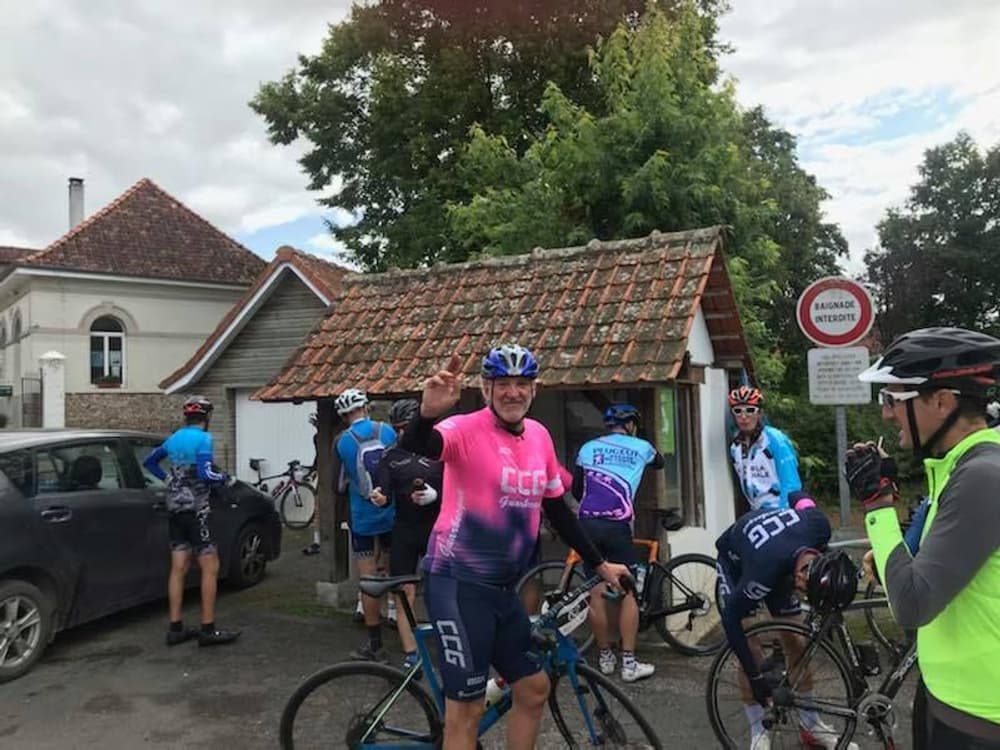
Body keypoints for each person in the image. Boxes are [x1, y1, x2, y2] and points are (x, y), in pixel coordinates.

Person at [400, 343, 633, 750]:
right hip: (457, 585)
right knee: (466, 711)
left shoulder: (539, 437)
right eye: (502, 383)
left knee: (534, 687)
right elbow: (420, 447)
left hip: (503, 590)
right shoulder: (465, 430)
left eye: (521, 383)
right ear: (486, 388)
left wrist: (600, 565)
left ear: (534, 389)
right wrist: (426, 414)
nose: (512, 392)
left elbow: (557, 509)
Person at [845, 327, 1000, 749]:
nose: (886, 413)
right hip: (951, 695)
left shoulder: (982, 476)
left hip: (979, 717)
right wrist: (892, 556)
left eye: (894, 399)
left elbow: (912, 604)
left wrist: (877, 505)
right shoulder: (960, 465)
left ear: (942, 401)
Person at [715, 496, 854, 750]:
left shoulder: (819, 526)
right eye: (802, 591)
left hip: (779, 554)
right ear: (799, 576)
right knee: (748, 641)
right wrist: (757, 678)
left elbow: (799, 499)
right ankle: (758, 731)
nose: (801, 595)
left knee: (795, 641)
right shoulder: (763, 572)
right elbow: (730, 621)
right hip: (739, 564)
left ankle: (811, 725)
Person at [573, 403, 664, 682]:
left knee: (596, 589)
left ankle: (605, 657)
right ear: (632, 424)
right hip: (618, 523)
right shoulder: (641, 446)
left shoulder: (588, 448)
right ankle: (629, 663)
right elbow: (660, 462)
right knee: (627, 591)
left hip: (588, 522)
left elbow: (577, 488)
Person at [143, 396, 241, 647]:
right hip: (198, 511)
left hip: (175, 508)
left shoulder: (174, 438)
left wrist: (167, 480)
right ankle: (207, 628)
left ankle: (175, 628)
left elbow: (150, 462)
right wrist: (225, 479)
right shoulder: (204, 439)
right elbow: (204, 472)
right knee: (210, 567)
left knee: (178, 567)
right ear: (206, 418)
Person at [370, 398, 443, 673]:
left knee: (441, 591)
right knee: (404, 592)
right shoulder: (391, 456)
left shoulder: (440, 451)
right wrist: (378, 497)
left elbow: (460, 491)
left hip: (437, 528)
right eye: (397, 428)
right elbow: (383, 492)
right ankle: (412, 652)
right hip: (404, 530)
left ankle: (446, 643)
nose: (402, 433)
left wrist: (438, 497)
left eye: (406, 427)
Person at [334, 387, 397, 660]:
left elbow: (339, 484)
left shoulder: (342, 442)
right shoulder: (388, 432)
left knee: (368, 578)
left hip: (362, 516)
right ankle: (397, 613)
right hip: (391, 512)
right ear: (366, 406)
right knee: (396, 570)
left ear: (343, 415)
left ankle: (375, 644)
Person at [728, 385, 802, 511]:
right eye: (738, 411)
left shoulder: (775, 439)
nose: (744, 416)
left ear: (759, 413)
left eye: (750, 410)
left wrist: (785, 512)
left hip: (780, 508)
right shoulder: (736, 447)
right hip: (757, 512)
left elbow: (791, 482)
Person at [303, 412, 321, 556]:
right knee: (318, 509)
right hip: (323, 475)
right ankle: (317, 541)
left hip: (329, 475)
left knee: (319, 509)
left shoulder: (319, 437)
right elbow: (319, 456)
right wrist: (313, 470)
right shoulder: (317, 438)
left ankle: (318, 541)